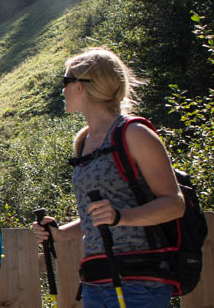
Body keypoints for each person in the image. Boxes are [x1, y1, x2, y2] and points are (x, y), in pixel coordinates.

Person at [32, 47, 185, 307]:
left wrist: (122, 217)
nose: (62, 89)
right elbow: (101, 216)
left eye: (65, 81)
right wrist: (60, 234)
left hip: (140, 279)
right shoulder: (83, 141)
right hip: (96, 279)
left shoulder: (134, 133)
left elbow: (174, 203)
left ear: (82, 86)